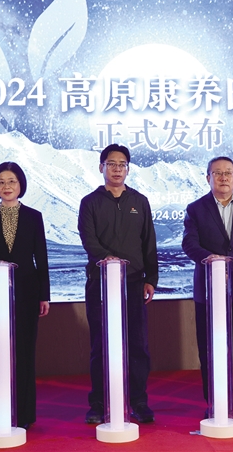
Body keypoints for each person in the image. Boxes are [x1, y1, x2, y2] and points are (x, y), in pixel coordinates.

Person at [78, 144, 158, 424]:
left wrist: (151, 279)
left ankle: (139, 401)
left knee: (137, 345)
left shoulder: (140, 201)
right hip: (100, 283)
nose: (116, 169)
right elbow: (88, 239)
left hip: (134, 283)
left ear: (128, 169)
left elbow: (149, 242)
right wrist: (108, 259)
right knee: (100, 344)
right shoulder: (90, 202)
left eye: (122, 164)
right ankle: (99, 404)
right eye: (111, 164)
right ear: (101, 167)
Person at [182, 156, 233, 420]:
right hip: (208, 290)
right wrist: (212, 259)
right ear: (208, 178)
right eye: (217, 173)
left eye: (228, 172)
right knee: (210, 347)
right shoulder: (196, 209)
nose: (223, 177)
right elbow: (189, 244)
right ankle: (215, 401)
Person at [0, 161, 51, 429]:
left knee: (25, 353)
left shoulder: (34, 216)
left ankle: (25, 415)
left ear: (20, 185)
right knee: (1, 353)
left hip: (28, 293)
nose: (6, 186)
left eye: (12, 181)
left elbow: (41, 257)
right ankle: (3, 412)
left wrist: (44, 295)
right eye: (1, 182)